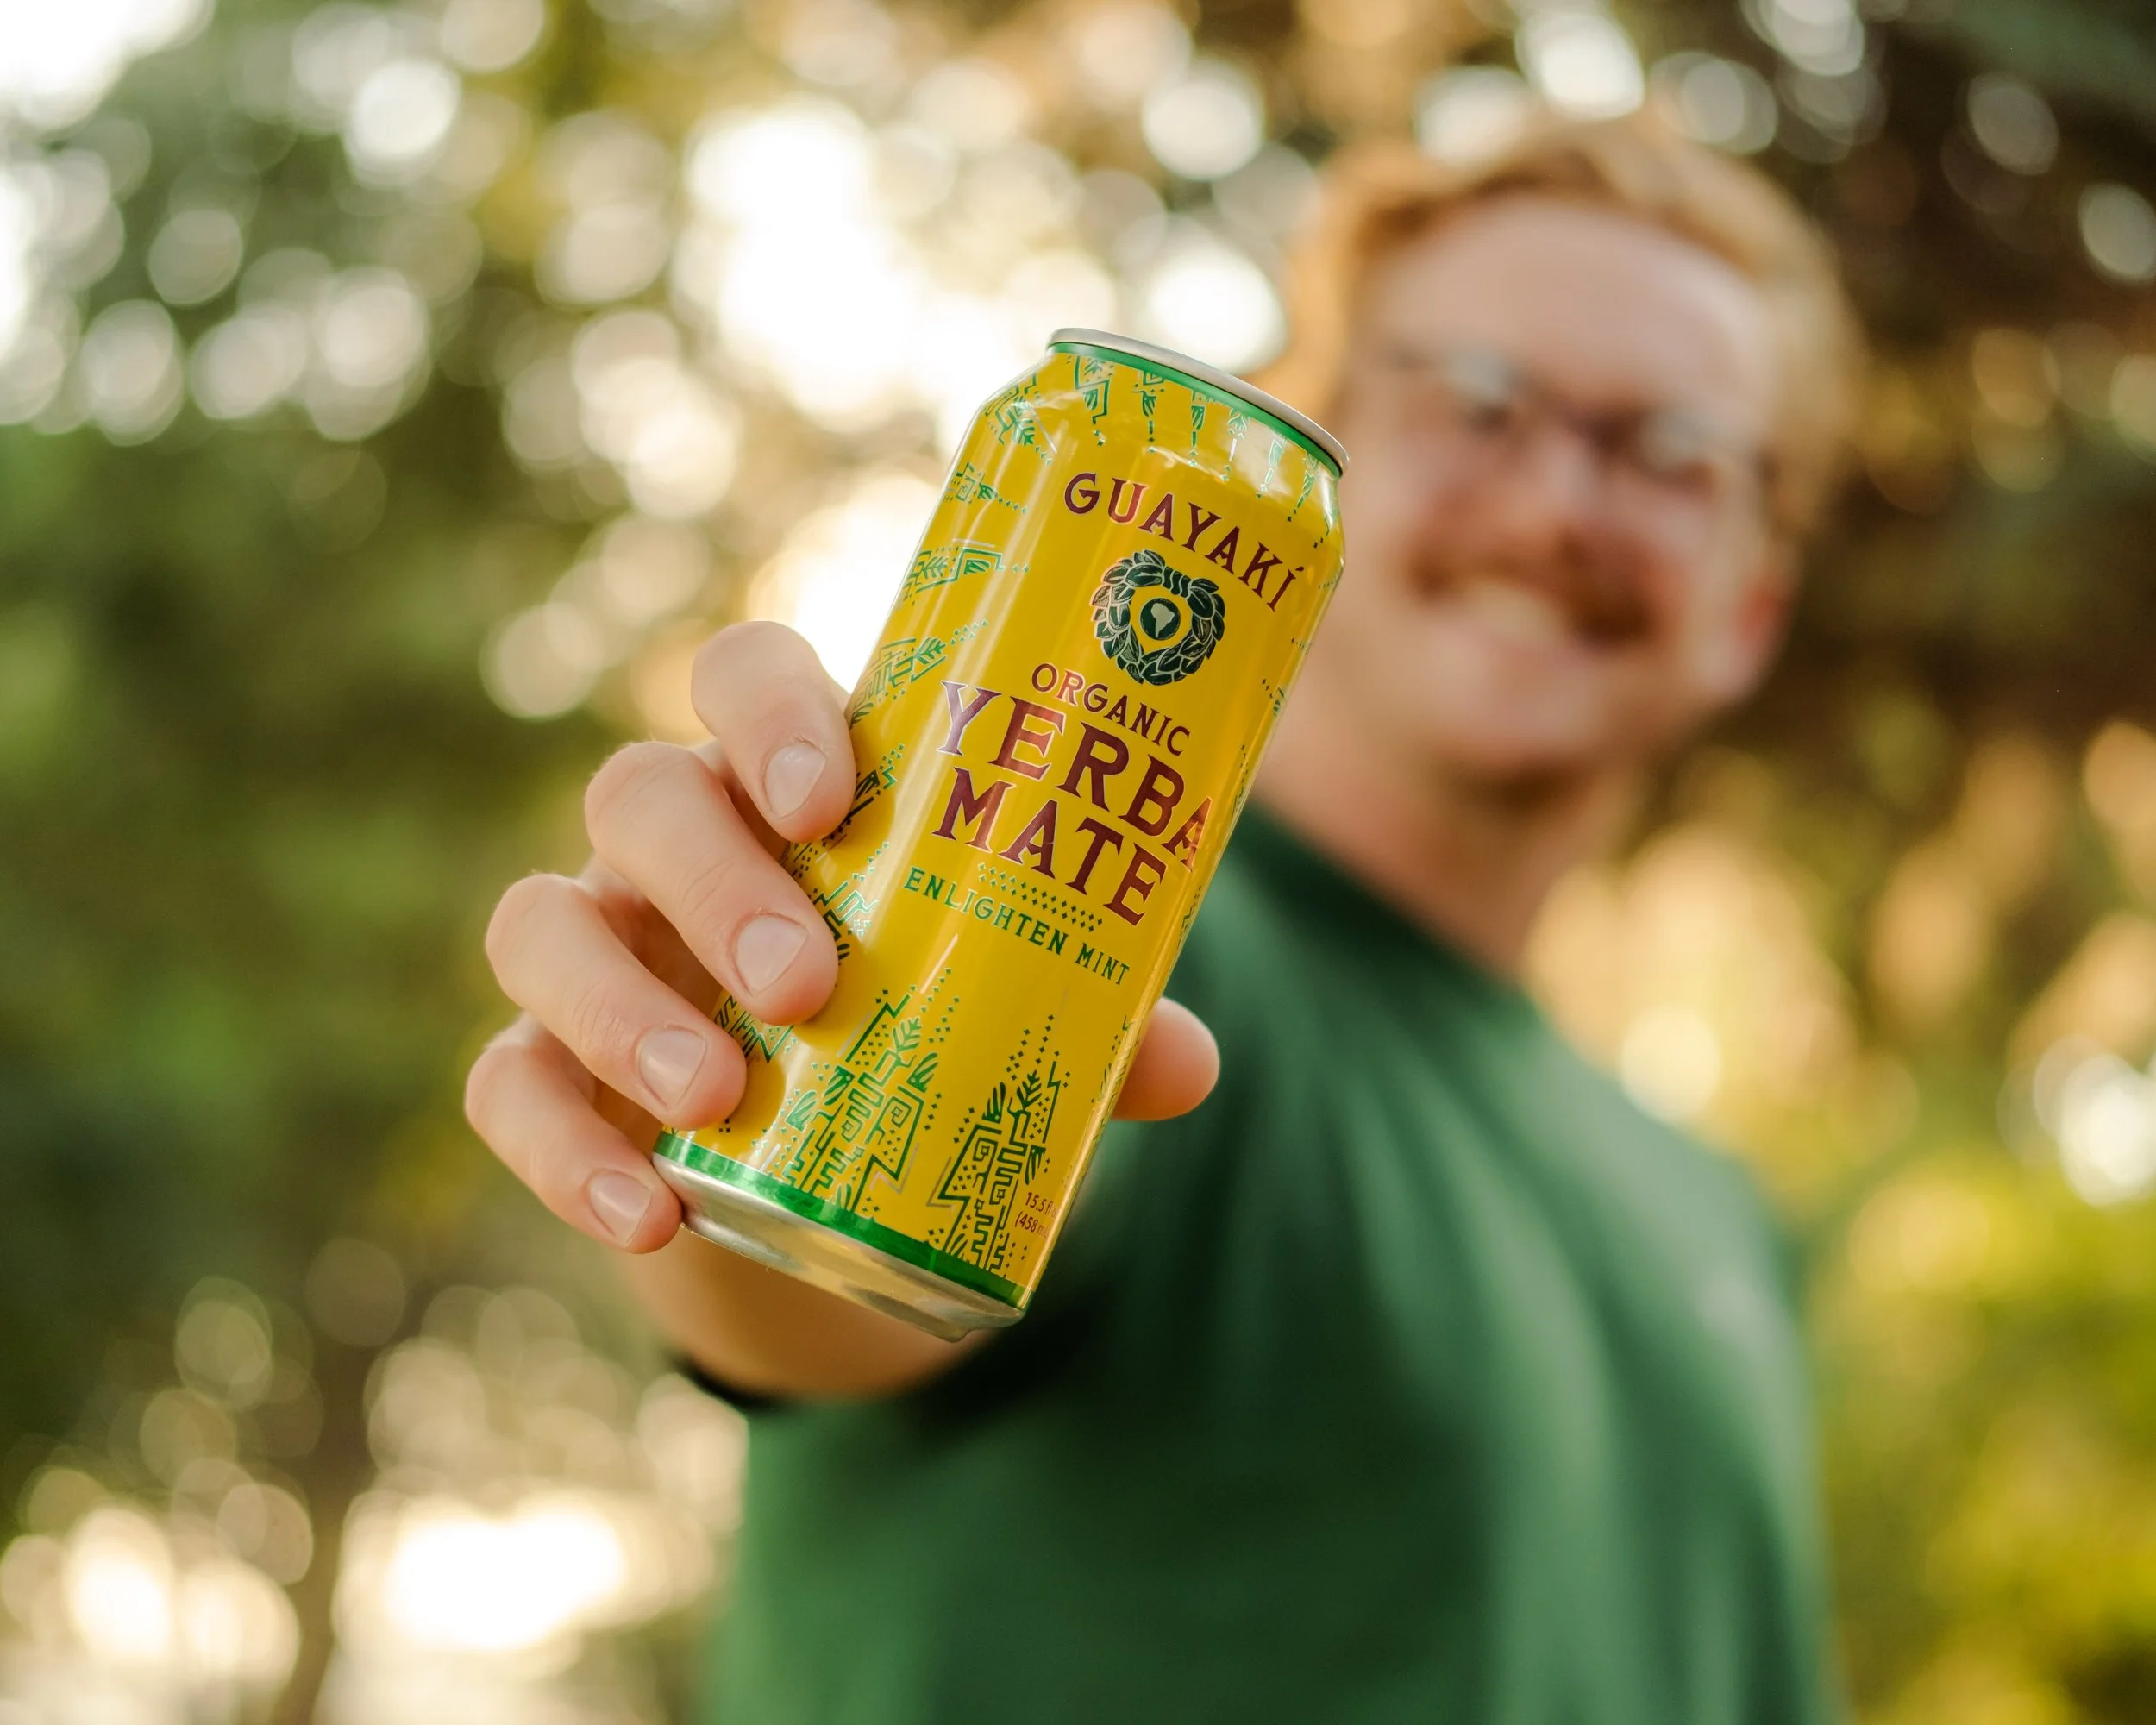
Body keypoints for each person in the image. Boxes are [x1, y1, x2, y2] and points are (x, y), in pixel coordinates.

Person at [467, 110, 1864, 1722]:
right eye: (1479, 403)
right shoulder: (1123, 951)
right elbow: (816, 1308)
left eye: (1669, 452)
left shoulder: (1709, 1208)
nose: (1558, 502)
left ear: (1753, 601)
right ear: (1319, 443)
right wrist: (708, 1058)